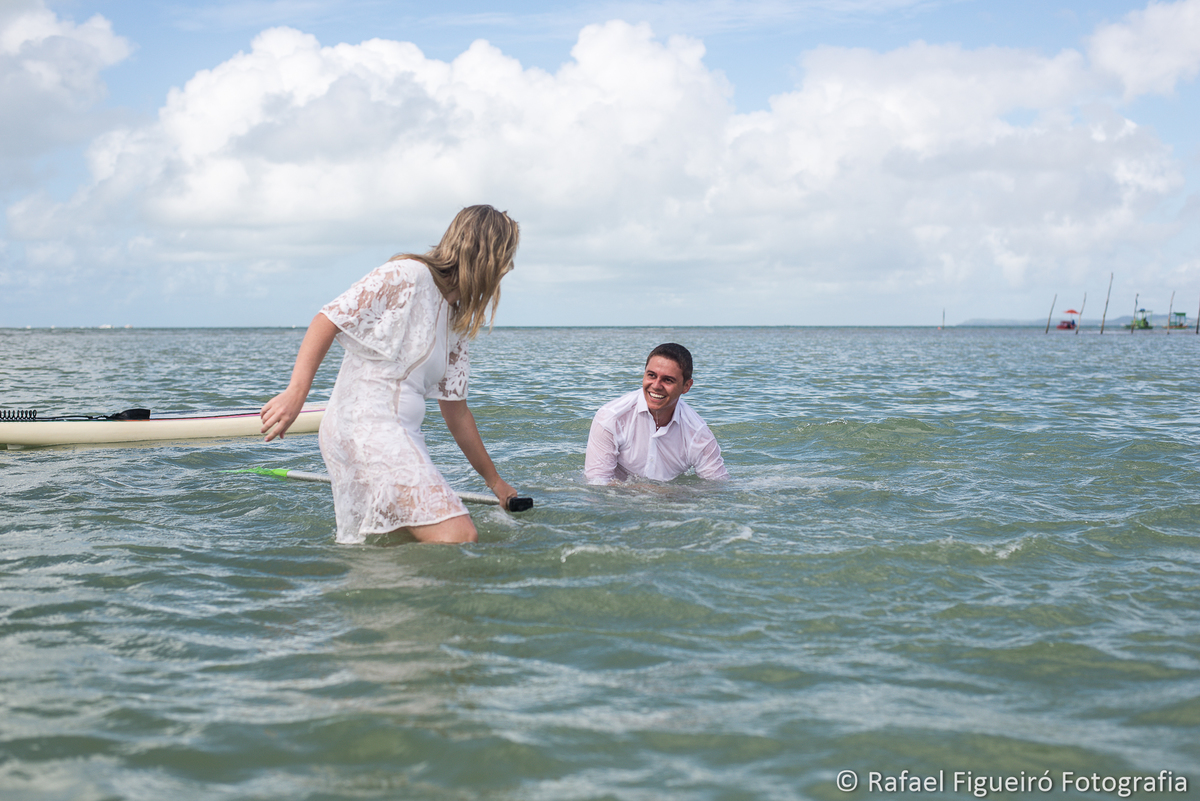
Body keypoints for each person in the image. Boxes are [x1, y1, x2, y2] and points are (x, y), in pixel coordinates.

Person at [259, 205, 521, 544]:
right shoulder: (408, 275)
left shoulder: (455, 323)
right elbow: (328, 319)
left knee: (400, 544)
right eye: (505, 258)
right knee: (458, 534)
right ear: (486, 255)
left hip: (401, 435)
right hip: (366, 426)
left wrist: (495, 481)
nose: (508, 268)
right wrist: (296, 392)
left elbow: (456, 412)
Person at [584, 343, 729, 484]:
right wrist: (652, 493)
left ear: (686, 386)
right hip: (618, 503)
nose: (656, 386)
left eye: (668, 380)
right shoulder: (611, 417)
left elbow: (717, 487)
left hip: (670, 503)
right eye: (652, 375)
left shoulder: (698, 434)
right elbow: (597, 484)